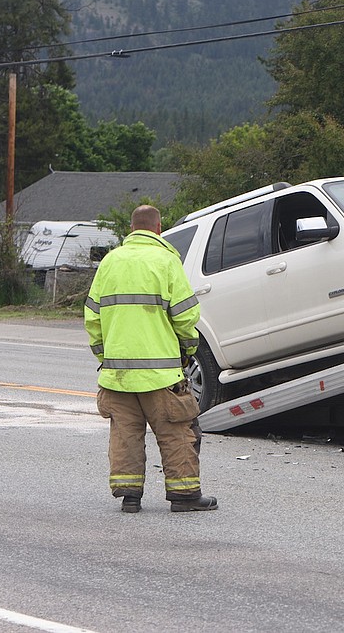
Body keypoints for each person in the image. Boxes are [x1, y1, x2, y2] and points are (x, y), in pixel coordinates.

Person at [84, 204, 217, 513]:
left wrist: (106, 355)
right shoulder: (167, 262)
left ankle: (130, 496)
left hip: (117, 376)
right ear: (158, 229)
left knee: (125, 436)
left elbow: (92, 318)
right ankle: (184, 497)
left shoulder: (110, 263)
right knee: (177, 432)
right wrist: (187, 349)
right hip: (161, 377)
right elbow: (185, 316)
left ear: (132, 230)